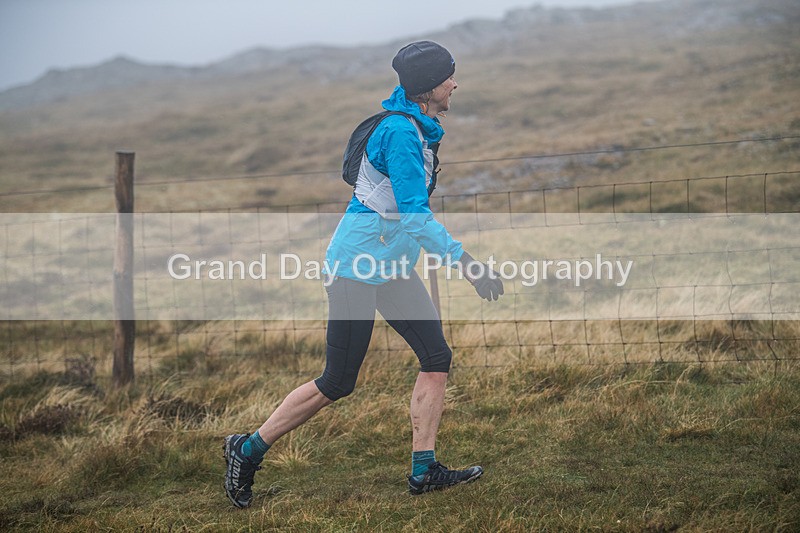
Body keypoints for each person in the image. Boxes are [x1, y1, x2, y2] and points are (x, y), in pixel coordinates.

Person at [223, 41, 504, 508]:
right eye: (449, 78)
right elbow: (414, 217)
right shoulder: (400, 133)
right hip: (356, 267)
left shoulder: (416, 127)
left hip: (391, 267)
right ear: (429, 88)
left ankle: (424, 469)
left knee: (436, 356)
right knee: (338, 381)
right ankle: (246, 449)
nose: (455, 84)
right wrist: (469, 265)